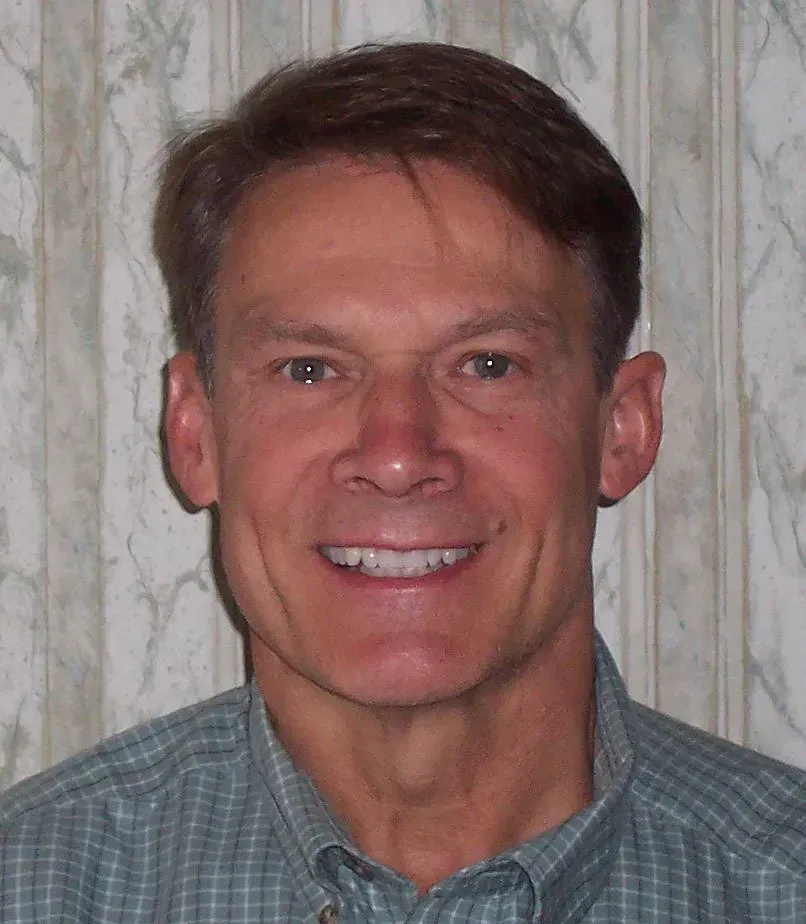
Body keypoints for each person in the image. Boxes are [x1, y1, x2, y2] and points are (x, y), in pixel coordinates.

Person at [1, 42, 804, 923]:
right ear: (196, 434)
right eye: (309, 369)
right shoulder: (35, 885)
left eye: (487, 364)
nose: (396, 454)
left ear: (624, 427)